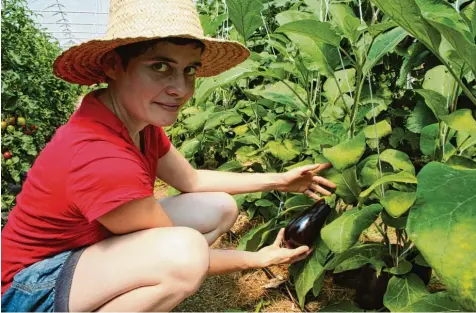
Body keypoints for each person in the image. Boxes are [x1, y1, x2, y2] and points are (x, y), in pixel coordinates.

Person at [0, 0, 336, 311]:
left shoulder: (134, 122)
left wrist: (280, 180)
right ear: (113, 65)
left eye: (189, 69)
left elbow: (191, 180)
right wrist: (256, 259)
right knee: (184, 257)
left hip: (81, 251)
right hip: (27, 288)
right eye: (160, 67)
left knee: (219, 207)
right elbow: (180, 250)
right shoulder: (99, 157)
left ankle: (133, 290)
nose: (181, 88)